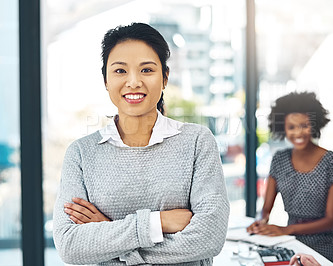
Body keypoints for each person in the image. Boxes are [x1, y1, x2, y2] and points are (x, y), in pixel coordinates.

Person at [53, 22, 230, 266]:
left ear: (165, 77)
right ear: (105, 80)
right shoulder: (82, 154)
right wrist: (156, 223)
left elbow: (209, 238)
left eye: (147, 70)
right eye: (120, 71)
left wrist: (108, 235)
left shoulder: (197, 142)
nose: (134, 82)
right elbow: (70, 246)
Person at [247, 91, 333, 266]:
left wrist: (286, 230)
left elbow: (330, 220)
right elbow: (266, 209)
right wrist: (261, 222)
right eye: (291, 127)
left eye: (304, 125)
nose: (298, 133)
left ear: (314, 124)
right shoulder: (279, 159)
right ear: (282, 129)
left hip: (328, 244)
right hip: (291, 240)